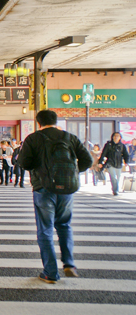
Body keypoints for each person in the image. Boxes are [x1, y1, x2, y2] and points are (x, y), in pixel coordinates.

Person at [17, 110, 92, 284]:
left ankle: (50, 272)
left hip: (43, 189)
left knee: (45, 229)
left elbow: (24, 162)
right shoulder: (69, 137)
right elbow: (87, 160)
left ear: (38, 123)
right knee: (64, 225)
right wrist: (71, 173)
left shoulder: (33, 139)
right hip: (66, 189)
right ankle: (69, 263)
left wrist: (41, 170)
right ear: (55, 121)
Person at [99, 132, 130, 196]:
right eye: (115, 136)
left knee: (118, 177)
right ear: (112, 137)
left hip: (119, 164)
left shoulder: (122, 146)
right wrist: (100, 162)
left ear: (120, 138)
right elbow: (103, 153)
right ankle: (115, 191)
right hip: (110, 163)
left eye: (117, 136)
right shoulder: (108, 144)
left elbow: (126, 154)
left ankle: (115, 188)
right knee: (113, 177)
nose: (116, 137)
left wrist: (126, 161)